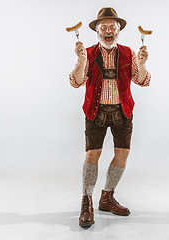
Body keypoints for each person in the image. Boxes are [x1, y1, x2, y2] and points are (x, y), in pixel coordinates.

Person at [69, 7, 151, 227]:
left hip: (122, 112)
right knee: (92, 154)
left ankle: (107, 197)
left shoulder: (128, 52)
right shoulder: (88, 52)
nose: (108, 30)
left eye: (111, 26)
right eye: (103, 26)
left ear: (118, 30)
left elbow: (142, 80)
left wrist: (142, 65)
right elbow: (76, 81)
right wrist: (80, 61)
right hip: (95, 111)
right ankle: (86, 202)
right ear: (96, 30)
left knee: (122, 154)